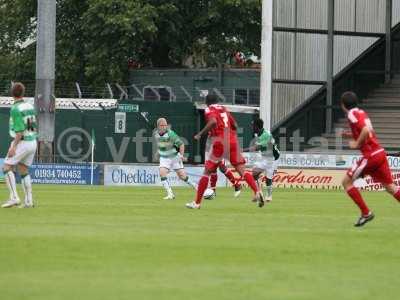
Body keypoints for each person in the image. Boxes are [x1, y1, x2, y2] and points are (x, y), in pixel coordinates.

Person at [186, 95, 264, 209]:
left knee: (207, 172)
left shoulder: (209, 109)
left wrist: (200, 134)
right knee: (242, 170)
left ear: (207, 103)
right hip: (232, 141)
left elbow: (212, 121)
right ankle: (257, 191)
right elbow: (235, 125)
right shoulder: (223, 108)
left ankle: (197, 203)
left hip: (220, 141)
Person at [340, 91, 400, 227]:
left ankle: (366, 213)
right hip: (379, 153)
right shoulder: (361, 113)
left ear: (343, 105)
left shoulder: (351, 114)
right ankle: (365, 213)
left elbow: (366, 131)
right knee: (391, 188)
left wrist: (356, 144)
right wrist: (350, 135)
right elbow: (368, 131)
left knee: (346, 182)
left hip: (371, 155)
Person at [2, 82, 37, 208]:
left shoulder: (15, 109)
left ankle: (14, 197)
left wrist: (14, 147)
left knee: (6, 167)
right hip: (33, 141)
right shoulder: (29, 105)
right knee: (23, 169)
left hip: (22, 141)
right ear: (23, 92)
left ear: (12, 93)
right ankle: (29, 201)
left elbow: (20, 131)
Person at [155, 118, 197, 200]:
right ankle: (170, 194)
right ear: (158, 126)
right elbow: (161, 144)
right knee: (162, 173)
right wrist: (158, 152)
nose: (164, 127)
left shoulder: (171, 134)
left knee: (183, 176)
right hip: (164, 158)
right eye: (162, 125)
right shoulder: (156, 134)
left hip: (174, 157)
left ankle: (197, 187)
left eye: (165, 125)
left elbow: (181, 144)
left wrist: (181, 156)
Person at [244, 118, 280, 202]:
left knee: (268, 178)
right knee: (254, 173)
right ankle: (259, 193)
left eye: (253, 125)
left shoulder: (266, 134)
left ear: (257, 126)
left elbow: (257, 147)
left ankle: (269, 196)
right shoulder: (258, 134)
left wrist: (242, 150)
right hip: (264, 157)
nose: (251, 127)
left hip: (273, 158)